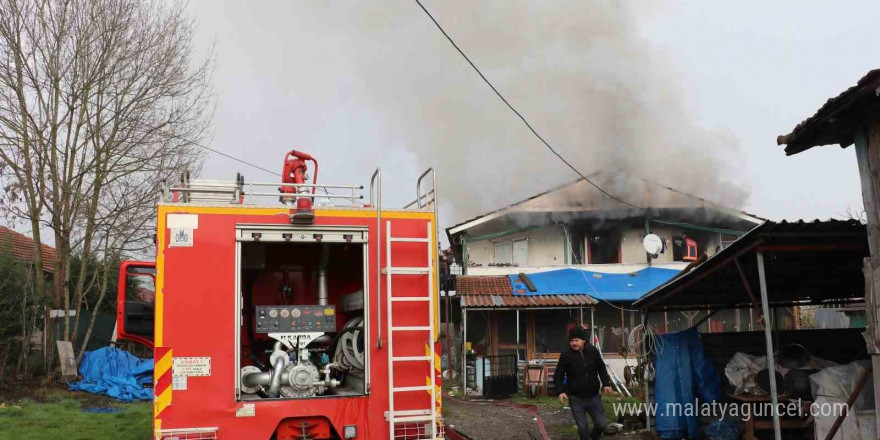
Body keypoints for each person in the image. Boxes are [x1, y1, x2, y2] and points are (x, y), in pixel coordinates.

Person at [554, 327, 612, 440]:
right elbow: (558, 375)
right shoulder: (566, 355)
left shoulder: (593, 351)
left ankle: (593, 437)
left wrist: (606, 383)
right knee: (582, 428)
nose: (574, 343)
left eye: (576, 340)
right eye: (571, 341)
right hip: (576, 399)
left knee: (601, 424)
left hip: (594, 397)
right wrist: (560, 391)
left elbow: (601, 368)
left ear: (583, 340)